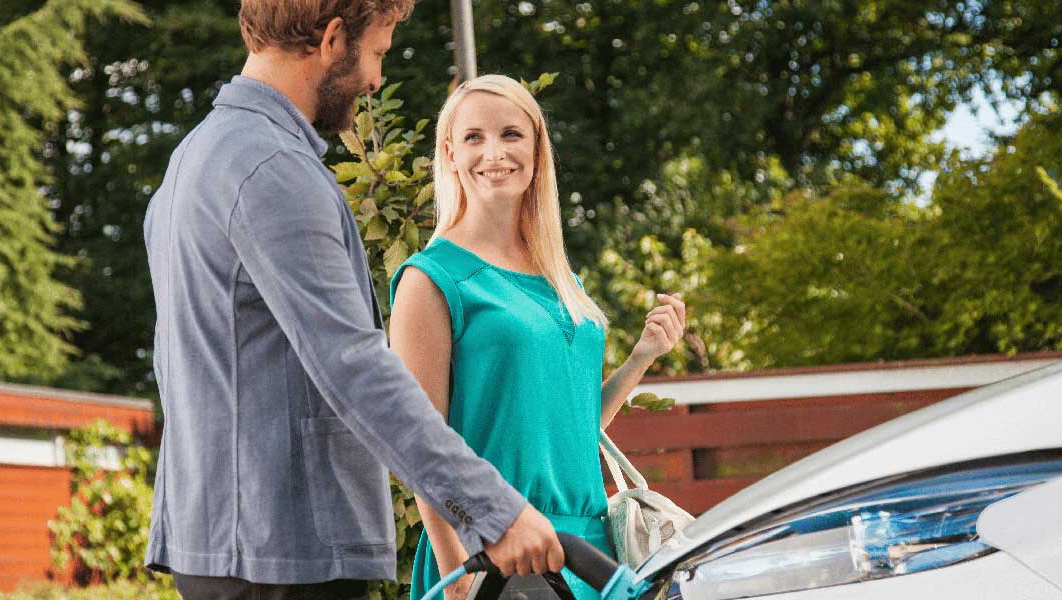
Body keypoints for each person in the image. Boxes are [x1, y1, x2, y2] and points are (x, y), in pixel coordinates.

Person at [142, 4, 563, 599]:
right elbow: (355, 367)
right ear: (334, 40)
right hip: (284, 552)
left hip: (226, 544)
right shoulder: (275, 169)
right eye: (378, 54)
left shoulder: (194, 157)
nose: (376, 80)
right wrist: (494, 510)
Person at [389, 75, 688, 600]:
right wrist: (457, 577)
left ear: (536, 150)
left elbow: (570, 429)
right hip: (495, 556)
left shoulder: (561, 278)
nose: (494, 152)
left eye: (511, 134)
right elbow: (418, 445)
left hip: (590, 553)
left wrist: (640, 359)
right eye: (474, 137)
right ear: (450, 154)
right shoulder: (430, 279)